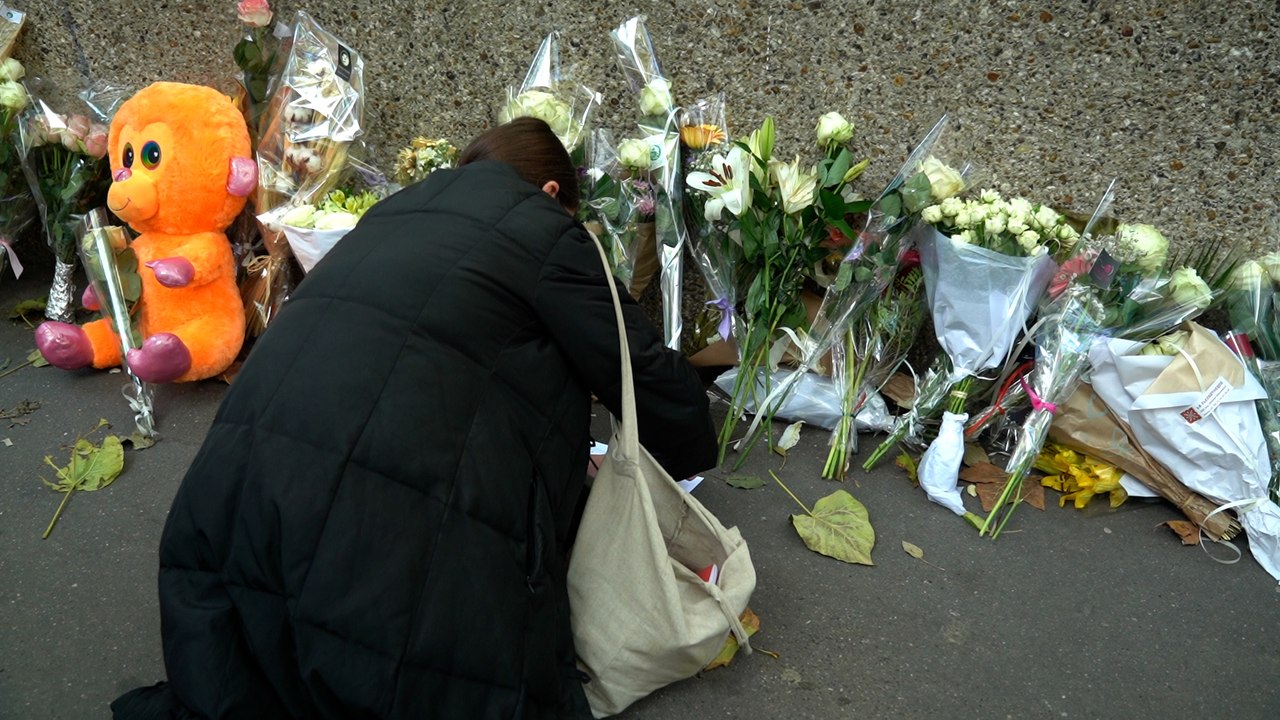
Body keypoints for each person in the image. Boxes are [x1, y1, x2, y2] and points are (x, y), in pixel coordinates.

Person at [112, 117, 717, 719]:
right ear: (553, 193)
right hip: (381, 543)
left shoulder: (390, 215)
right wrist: (689, 452)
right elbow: (642, 370)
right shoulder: (542, 228)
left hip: (228, 501)